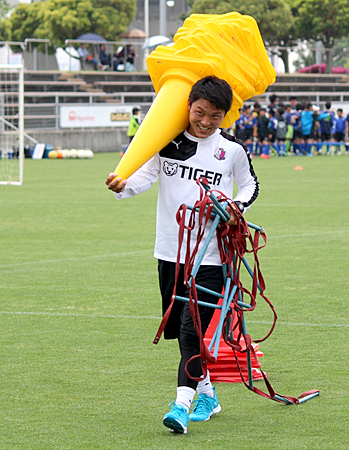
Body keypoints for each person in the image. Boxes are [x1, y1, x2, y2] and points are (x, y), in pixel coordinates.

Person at [105, 76, 259, 435]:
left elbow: (251, 185)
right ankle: (208, 395)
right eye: (200, 113)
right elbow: (143, 177)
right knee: (179, 332)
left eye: (215, 116)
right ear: (189, 106)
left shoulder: (232, 149)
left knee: (192, 331)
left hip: (211, 258)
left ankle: (181, 405)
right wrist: (123, 184)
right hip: (169, 253)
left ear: (225, 115)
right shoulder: (167, 143)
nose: (205, 122)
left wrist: (235, 206)